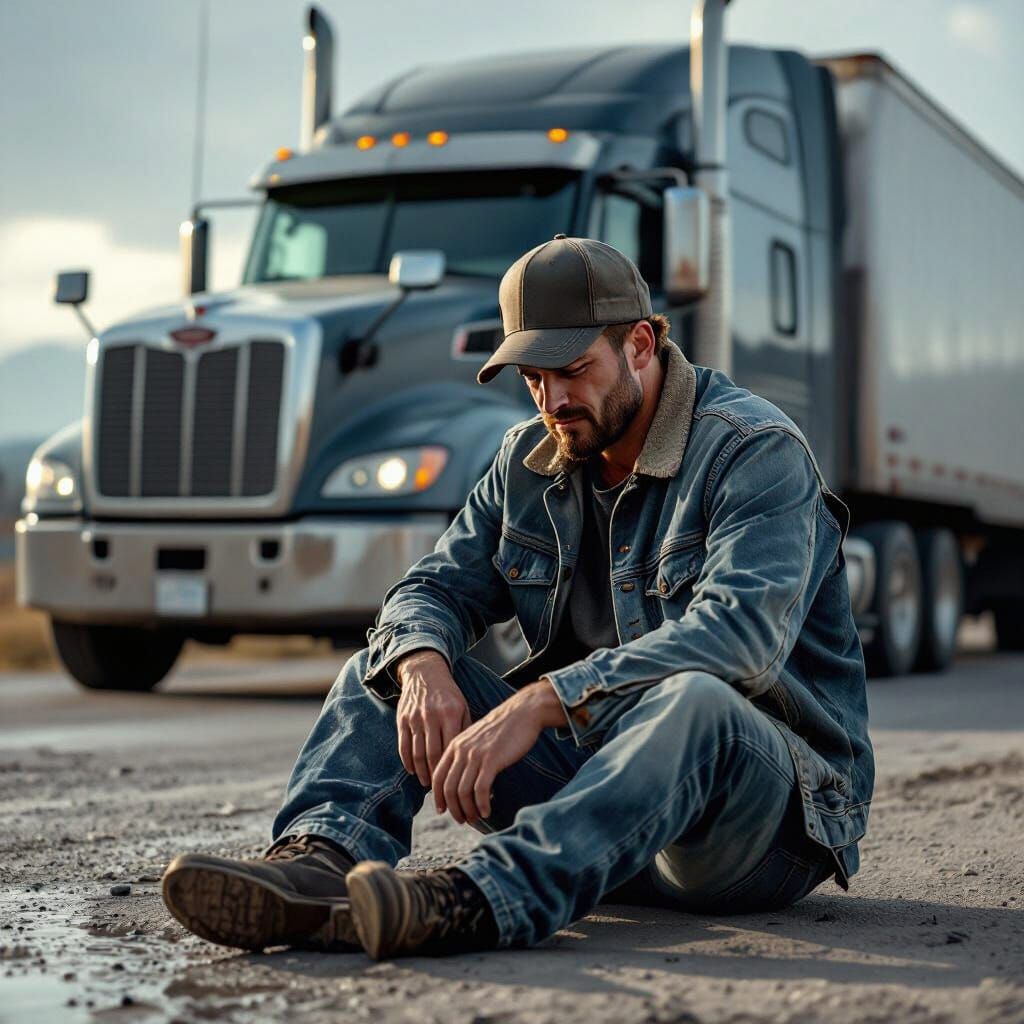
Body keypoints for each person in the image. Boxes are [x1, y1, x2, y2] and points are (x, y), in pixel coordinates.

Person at [162, 235, 874, 960]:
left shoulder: (752, 449)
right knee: (386, 667)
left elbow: (740, 640)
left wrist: (544, 700)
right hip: (595, 806)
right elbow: (430, 589)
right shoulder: (525, 461)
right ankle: (316, 869)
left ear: (639, 343)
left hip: (756, 828)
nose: (553, 400)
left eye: (571, 370)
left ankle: (479, 899)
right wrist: (421, 669)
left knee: (696, 699)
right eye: (532, 377)